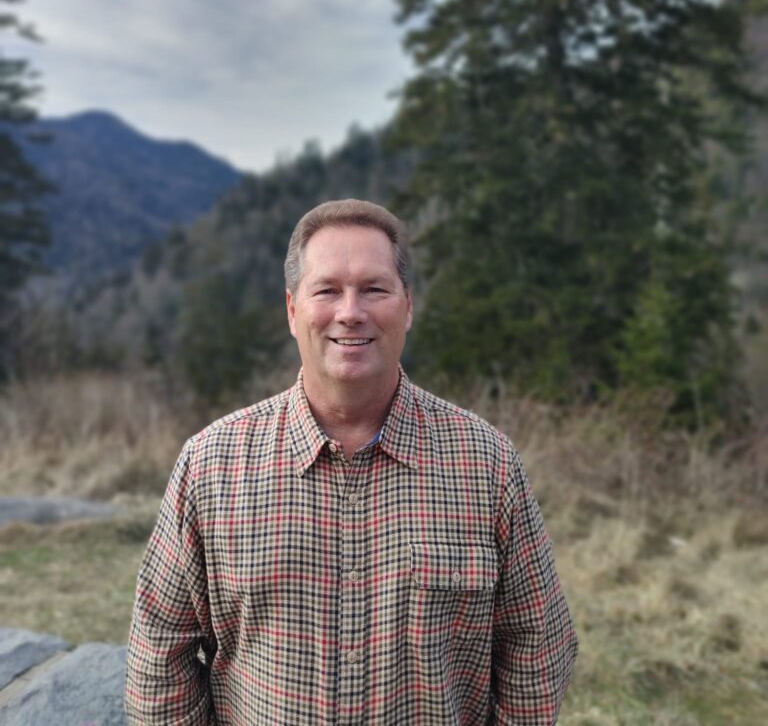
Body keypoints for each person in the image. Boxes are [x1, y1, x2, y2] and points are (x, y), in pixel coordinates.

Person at [125, 199, 577, 725]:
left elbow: (537, 646)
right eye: (327, 290)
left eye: (374, 289)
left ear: (408, 307)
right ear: (292, 310)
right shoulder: (212, 465)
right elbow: (160, 652)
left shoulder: (485, 464)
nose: (350, 312)